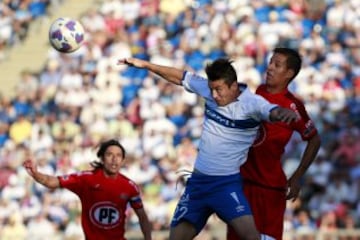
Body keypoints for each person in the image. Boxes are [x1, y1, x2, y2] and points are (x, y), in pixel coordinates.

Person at [118, 57, 299, 240]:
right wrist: (147, 65)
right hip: (197, 185)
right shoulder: (209, 89)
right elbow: (179, 76)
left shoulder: (253, 104)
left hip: (226, 185)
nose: (213, 95)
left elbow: (272, 111)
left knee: (251, 237)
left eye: (219, 90)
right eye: (211, 89)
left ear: (233, 86)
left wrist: (282, 113)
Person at [227, 47, 321, 240]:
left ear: (289, 74)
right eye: (270, 62)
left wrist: (296, 177)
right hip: (243, 184)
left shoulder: (292, 105)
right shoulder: (258, 91)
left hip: (269, 190)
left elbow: (314, 139)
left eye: (277, 65)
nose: (269, 68)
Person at [23, 139, 152, 240]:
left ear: (123, 160)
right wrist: (36, 173)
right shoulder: (85, 179)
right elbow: (52, 181)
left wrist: (148, 238)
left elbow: (142, 217)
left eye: (118, 156)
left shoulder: (130, 186)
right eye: (110, 155)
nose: (114, 159)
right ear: (102, 158)